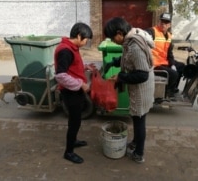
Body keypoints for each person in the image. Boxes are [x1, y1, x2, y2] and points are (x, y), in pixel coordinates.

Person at [103, 17, 155, 163]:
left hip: (141, 88)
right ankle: (135, 142)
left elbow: (142, 74)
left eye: (113, 38)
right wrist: (112, 62)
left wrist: (120, 77)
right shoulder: (129, 42)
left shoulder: (135, 47)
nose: (113, 41)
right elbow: (127, 58)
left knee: (139, 120)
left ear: (120, 32)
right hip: (139, 86)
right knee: (136, 117)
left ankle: (139, 153)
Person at [54, 22, 95, 164]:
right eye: (85, 39)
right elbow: (60, 76)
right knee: (74, 122)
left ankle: (74, 141)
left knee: (76, 121)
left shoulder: (72, 48)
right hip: (70, 92)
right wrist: (81, 84)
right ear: (78, 36)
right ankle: (69, 152)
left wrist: (85, 67)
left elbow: (72, 66)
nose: (86, 42)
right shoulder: (65, 50)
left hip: (75, 91)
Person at [145, 12, 185, 99]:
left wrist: (173, 64)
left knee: (182, 66)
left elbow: (169, 53)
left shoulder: (169, 36)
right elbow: (144, 36)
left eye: (166, 22)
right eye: (162, 22)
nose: (163, 24)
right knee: (173, 74)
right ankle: (167, 93)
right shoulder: (152, 31)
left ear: (169, 25)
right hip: (154, 64)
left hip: (164, 61)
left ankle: (173, 88)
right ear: (159, 22)